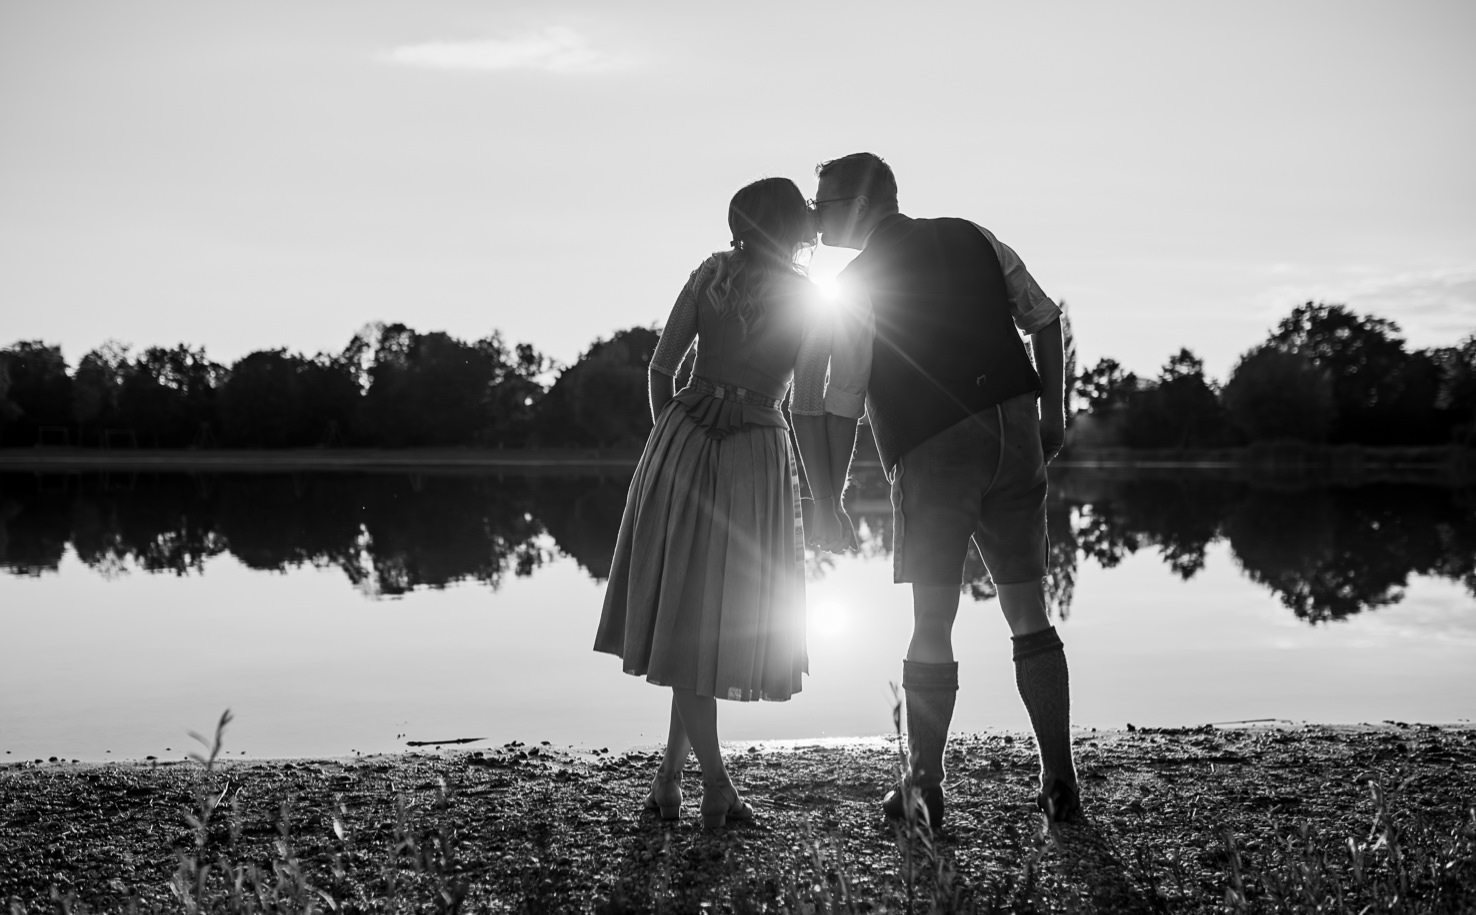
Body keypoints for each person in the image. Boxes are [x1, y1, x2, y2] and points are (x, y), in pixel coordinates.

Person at [793, 152, 1079, 827]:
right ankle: (1060, 779)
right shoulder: (972, 235)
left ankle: (924, 783)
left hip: (934, 444)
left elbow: (842, 402)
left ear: (861, 205)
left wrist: (825, 496)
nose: (813, 215)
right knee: (1029, 612)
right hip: (1014, 428)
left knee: (932, 619)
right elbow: (1043, 317)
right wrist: (1053, 415)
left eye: (823, 203)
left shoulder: (858, 282)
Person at [594, 176, 830, 829]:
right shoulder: (810, 299)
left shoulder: (710, 273)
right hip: (756, 450)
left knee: (689, 624)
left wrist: (669, 441)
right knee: (704, 624)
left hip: (684, 440)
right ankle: (716, 786)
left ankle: (669, 781)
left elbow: (659, 371)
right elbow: (807, 404)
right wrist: (820, 485)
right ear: (788, 225)